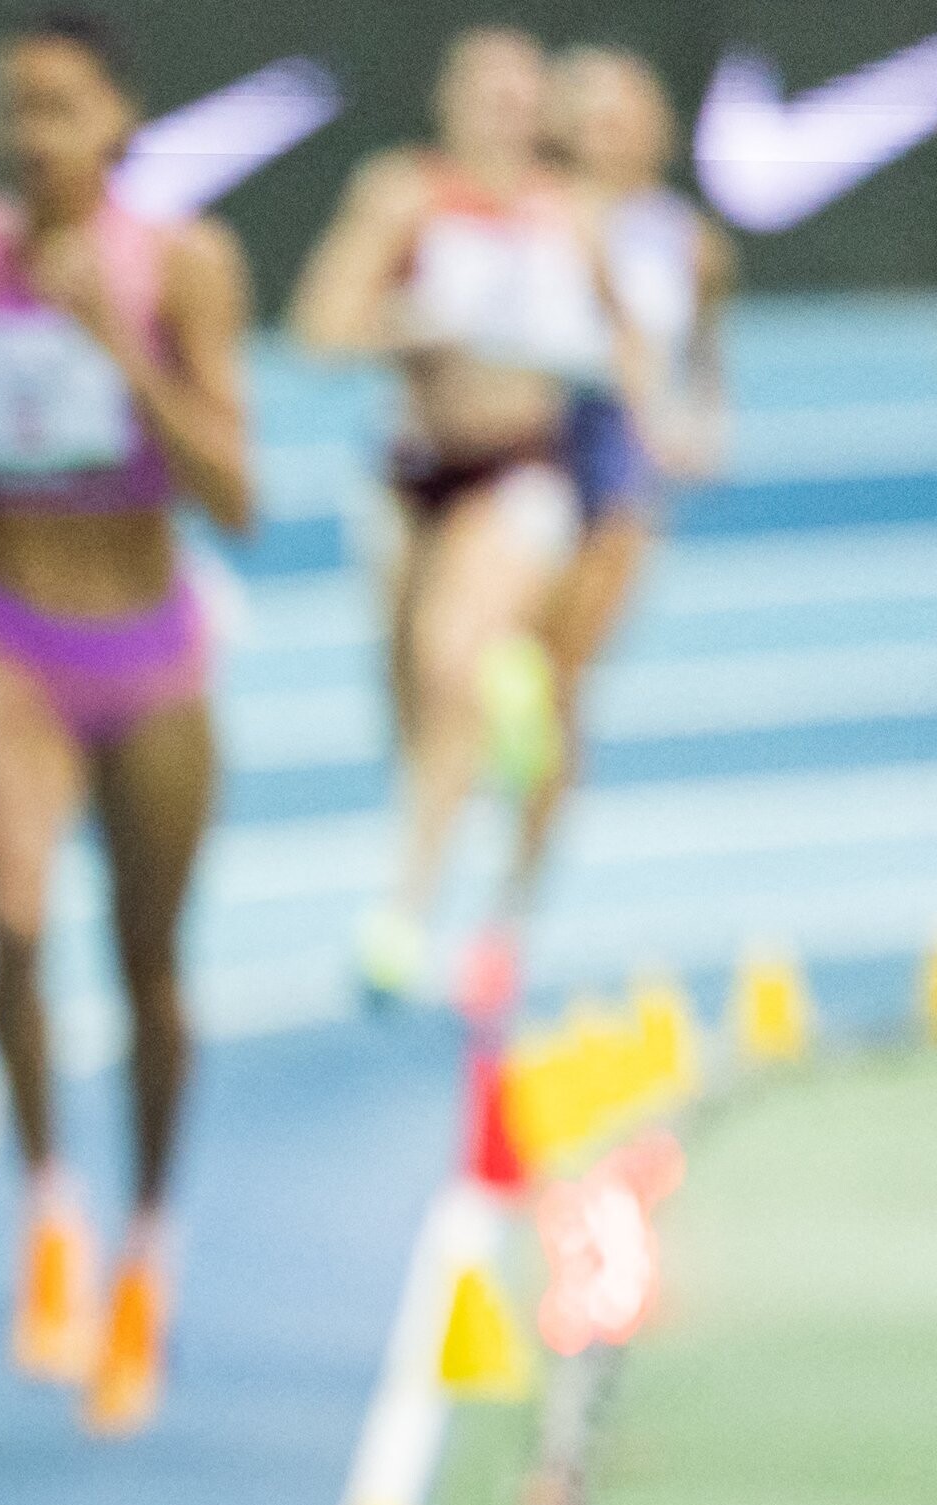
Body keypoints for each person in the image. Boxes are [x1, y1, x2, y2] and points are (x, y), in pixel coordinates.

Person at [0, 11, 255, 1436]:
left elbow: (237, 494)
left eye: (59, 106)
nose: (32, 135)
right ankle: (51, 1210)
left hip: (151, 656)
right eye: (12, 107)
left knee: (149, 969)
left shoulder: (181, 263)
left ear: (119, 119)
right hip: (11, 648)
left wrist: (119, 344)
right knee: (7, 921)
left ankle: (149, 1250)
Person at [291, 27, 643, 1007]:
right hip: (411, 478)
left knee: (452, 657)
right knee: (413, 703)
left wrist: (604, 387)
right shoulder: (402, 194)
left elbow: (628, 349)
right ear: (448, 100)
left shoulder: (570, 214)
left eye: (522, 98)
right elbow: (318, 330)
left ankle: (404, 914)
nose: (505, 114)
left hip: (519, 470)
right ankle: (500, 705)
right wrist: (409, 326)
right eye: (487, 94)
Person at [521, 46, 732, 964]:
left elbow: (702, 359)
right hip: (533, 435)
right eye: (591, 117)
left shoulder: (689, 241)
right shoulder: (537, 210)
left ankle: (522, 884)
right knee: (507, 656)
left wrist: (699, 428)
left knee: (563, 681)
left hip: (621, 458)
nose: (607, 135)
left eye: (624, 118)